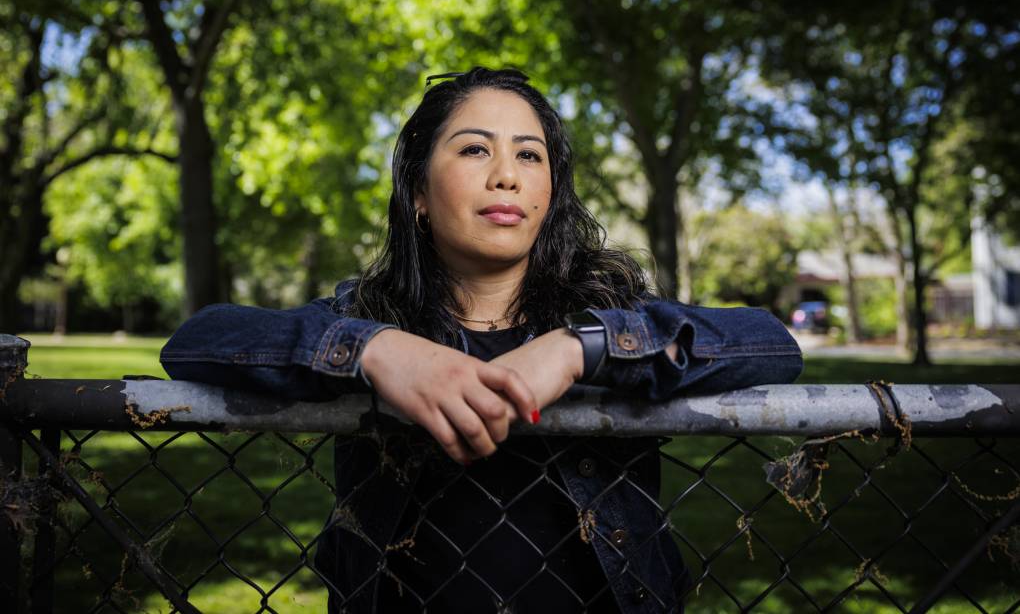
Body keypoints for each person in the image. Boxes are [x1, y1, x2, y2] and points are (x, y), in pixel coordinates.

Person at [160, 67, 803, 613]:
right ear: (417, 192)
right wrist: (375, 350)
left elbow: (771, 343)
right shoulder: (366, 313)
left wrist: (581, 347)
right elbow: (198, 342)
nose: (506, 176)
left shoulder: (609, 311)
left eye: (529, 154)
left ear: (550, 194)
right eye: (474, 150)